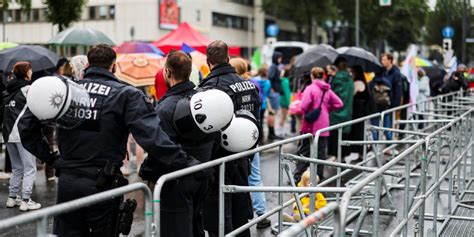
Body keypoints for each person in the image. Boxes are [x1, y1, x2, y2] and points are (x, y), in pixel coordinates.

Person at [19, 44, 199, 236]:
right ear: (113, 66)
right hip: (102, 184)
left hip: (68, 182)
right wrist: (187, 162)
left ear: (88, 64)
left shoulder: (66, 90)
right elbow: (152, 138)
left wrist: (51, 158)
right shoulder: (126, 94)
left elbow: (26, 127)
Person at [200, 40, 260, 237]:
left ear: (208, 62)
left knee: (220, 218)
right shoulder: (249, 84)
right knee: (241, 216)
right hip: (243, 157)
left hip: (219, 162)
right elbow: (255, 122)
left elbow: (208, 130)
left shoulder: (210, 88)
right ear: (228, 58)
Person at [155, 50, 214, 237]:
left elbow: (163, 148)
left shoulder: (165, 107)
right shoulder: (204, 100)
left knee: (176, 229)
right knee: (196, 225)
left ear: (167, 73)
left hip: (178, 180)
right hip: (203, 174)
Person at [229, 57, 271, 229]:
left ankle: (239, 216)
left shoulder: (231, 88)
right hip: (253, 137)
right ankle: (262, 215)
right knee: (255, 177)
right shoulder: (252, 86)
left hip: (237, 140)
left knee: (238, 178)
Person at [293, 67, 343, 182]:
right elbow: (339, 104)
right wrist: (327, 109)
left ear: (312, 76)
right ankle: (319, 176)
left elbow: (304, 106)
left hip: (310, 124)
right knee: (321, 152)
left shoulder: (310, 88)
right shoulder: (327, 89)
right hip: (324, 125)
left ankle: (298, 176)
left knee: (304, 151)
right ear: (323, 76)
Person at [3, 61, 41, 211]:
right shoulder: (28, 90)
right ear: (26, 72)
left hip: (7, 134)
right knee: (30, 168)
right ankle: (26, 200)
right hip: (23, 134)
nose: (32, 72)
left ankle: (12, 198)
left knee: (17, 168)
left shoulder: (8, 91)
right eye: (30, 70)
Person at [328, 58, 354, 160]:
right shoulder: (350, 79)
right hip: (347, 110)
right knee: (344, 133)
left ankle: (335, 155)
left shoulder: (336, 79)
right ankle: (343, 156)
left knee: (335, 133)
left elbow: (332, 94)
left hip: (335, 111)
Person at [350, 65, 375, 160]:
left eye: (352, 72)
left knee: (359, 132)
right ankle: (361, 153)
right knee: (361, 132)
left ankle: (361, 152)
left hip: (358, 111)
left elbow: (352, 94)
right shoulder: (363, 82)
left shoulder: (357, 83)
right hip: (362, 111)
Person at [268, 52, 284, 140]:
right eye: (279, 58)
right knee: (272, 112)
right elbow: (270, 77)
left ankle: (272, 132)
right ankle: (272, 133)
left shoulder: (274, 66)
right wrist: (272, 88)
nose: (280, 60)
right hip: (274, 92)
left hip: (275, 91)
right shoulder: (274, 66)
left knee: (273, 112)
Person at [280, 67, 292, 136]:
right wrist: (289, 103)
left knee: (283, 116)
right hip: (284, 101)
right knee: (283, 117)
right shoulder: (286, 81)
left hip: (282, 99)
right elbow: (287, 93)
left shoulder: (283, 80)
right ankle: (282, 131)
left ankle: (282, 130)